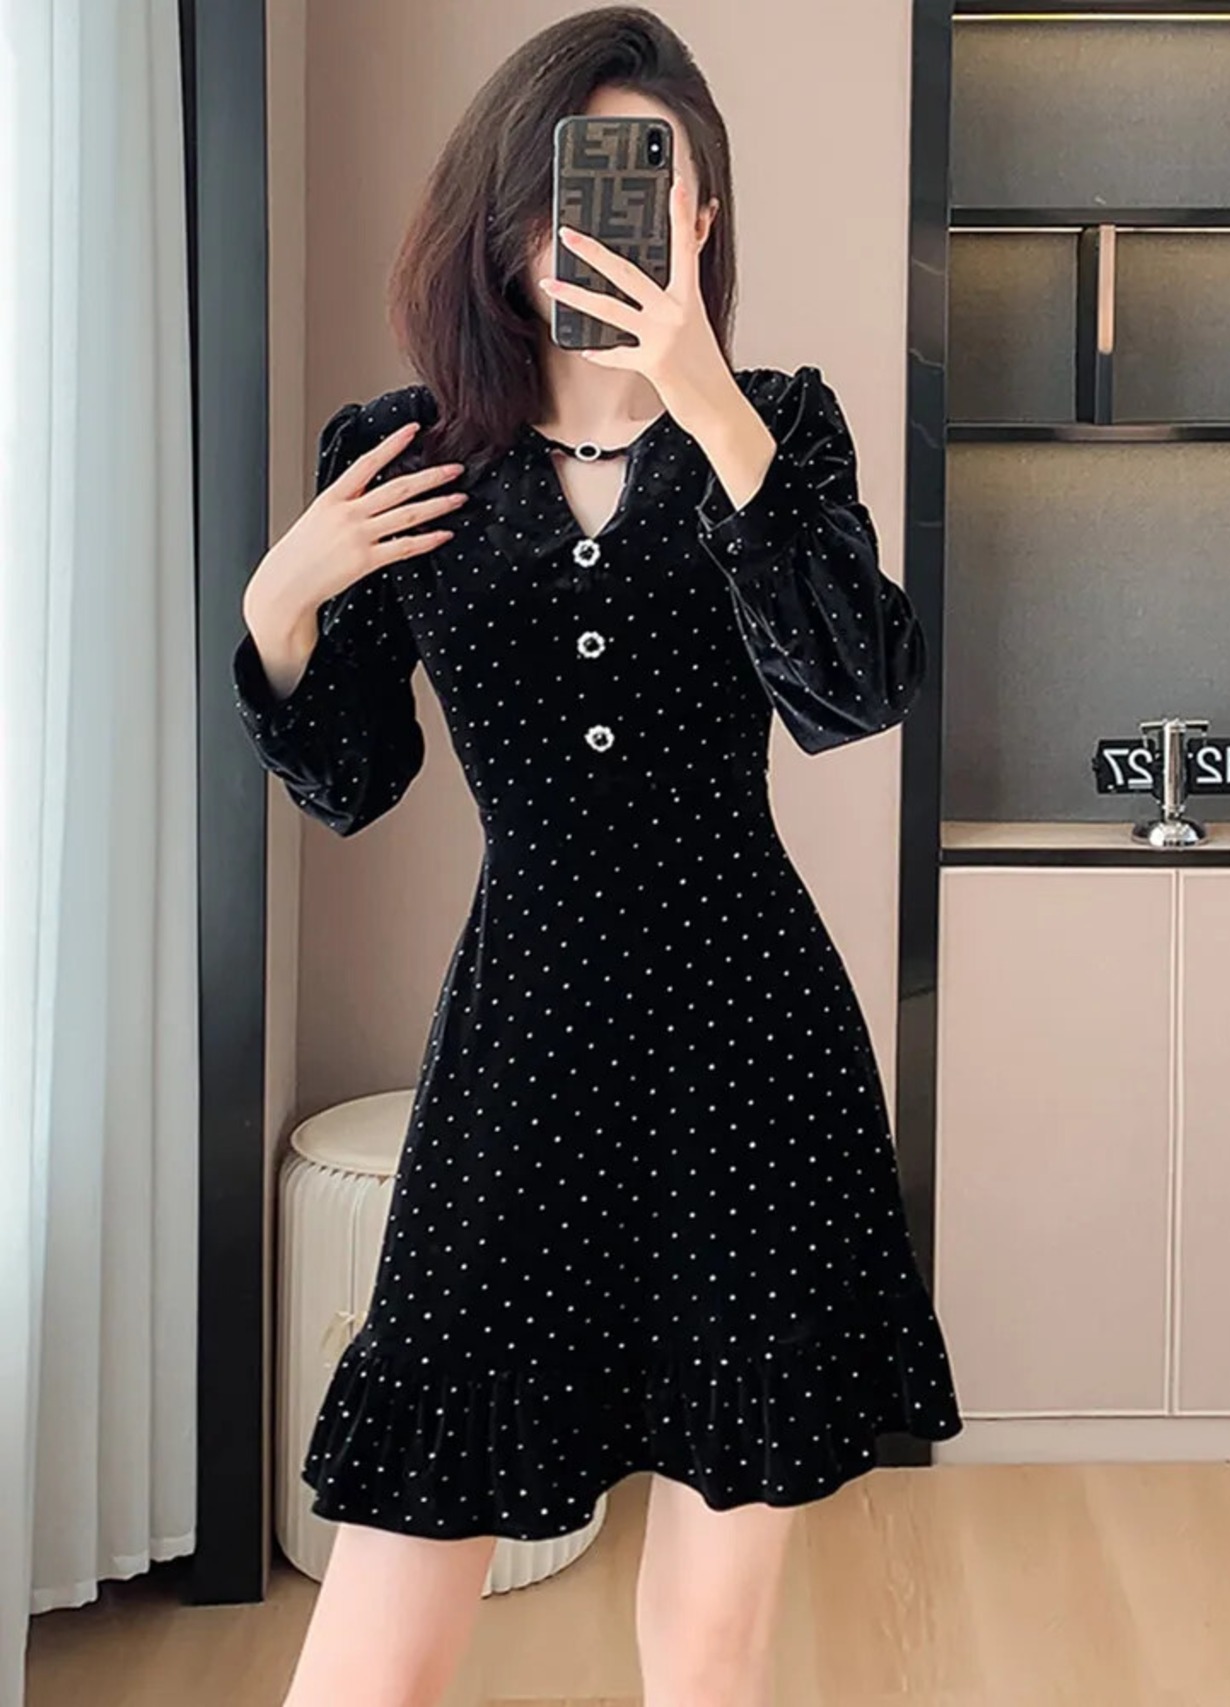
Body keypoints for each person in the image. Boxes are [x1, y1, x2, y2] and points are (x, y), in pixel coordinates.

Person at [231, 7, 963, 1704]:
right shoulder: (404, 454)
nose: (610, 223)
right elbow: (351, 780)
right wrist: (280, 601)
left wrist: (707, 401)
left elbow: (854, 691)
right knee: (382, 1623)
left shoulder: (777, 428)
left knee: (708, 1636)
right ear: (505, 216)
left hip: (751, 1056)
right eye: (575, 186)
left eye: (653, 185)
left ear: (699, 216)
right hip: (524, 1053)